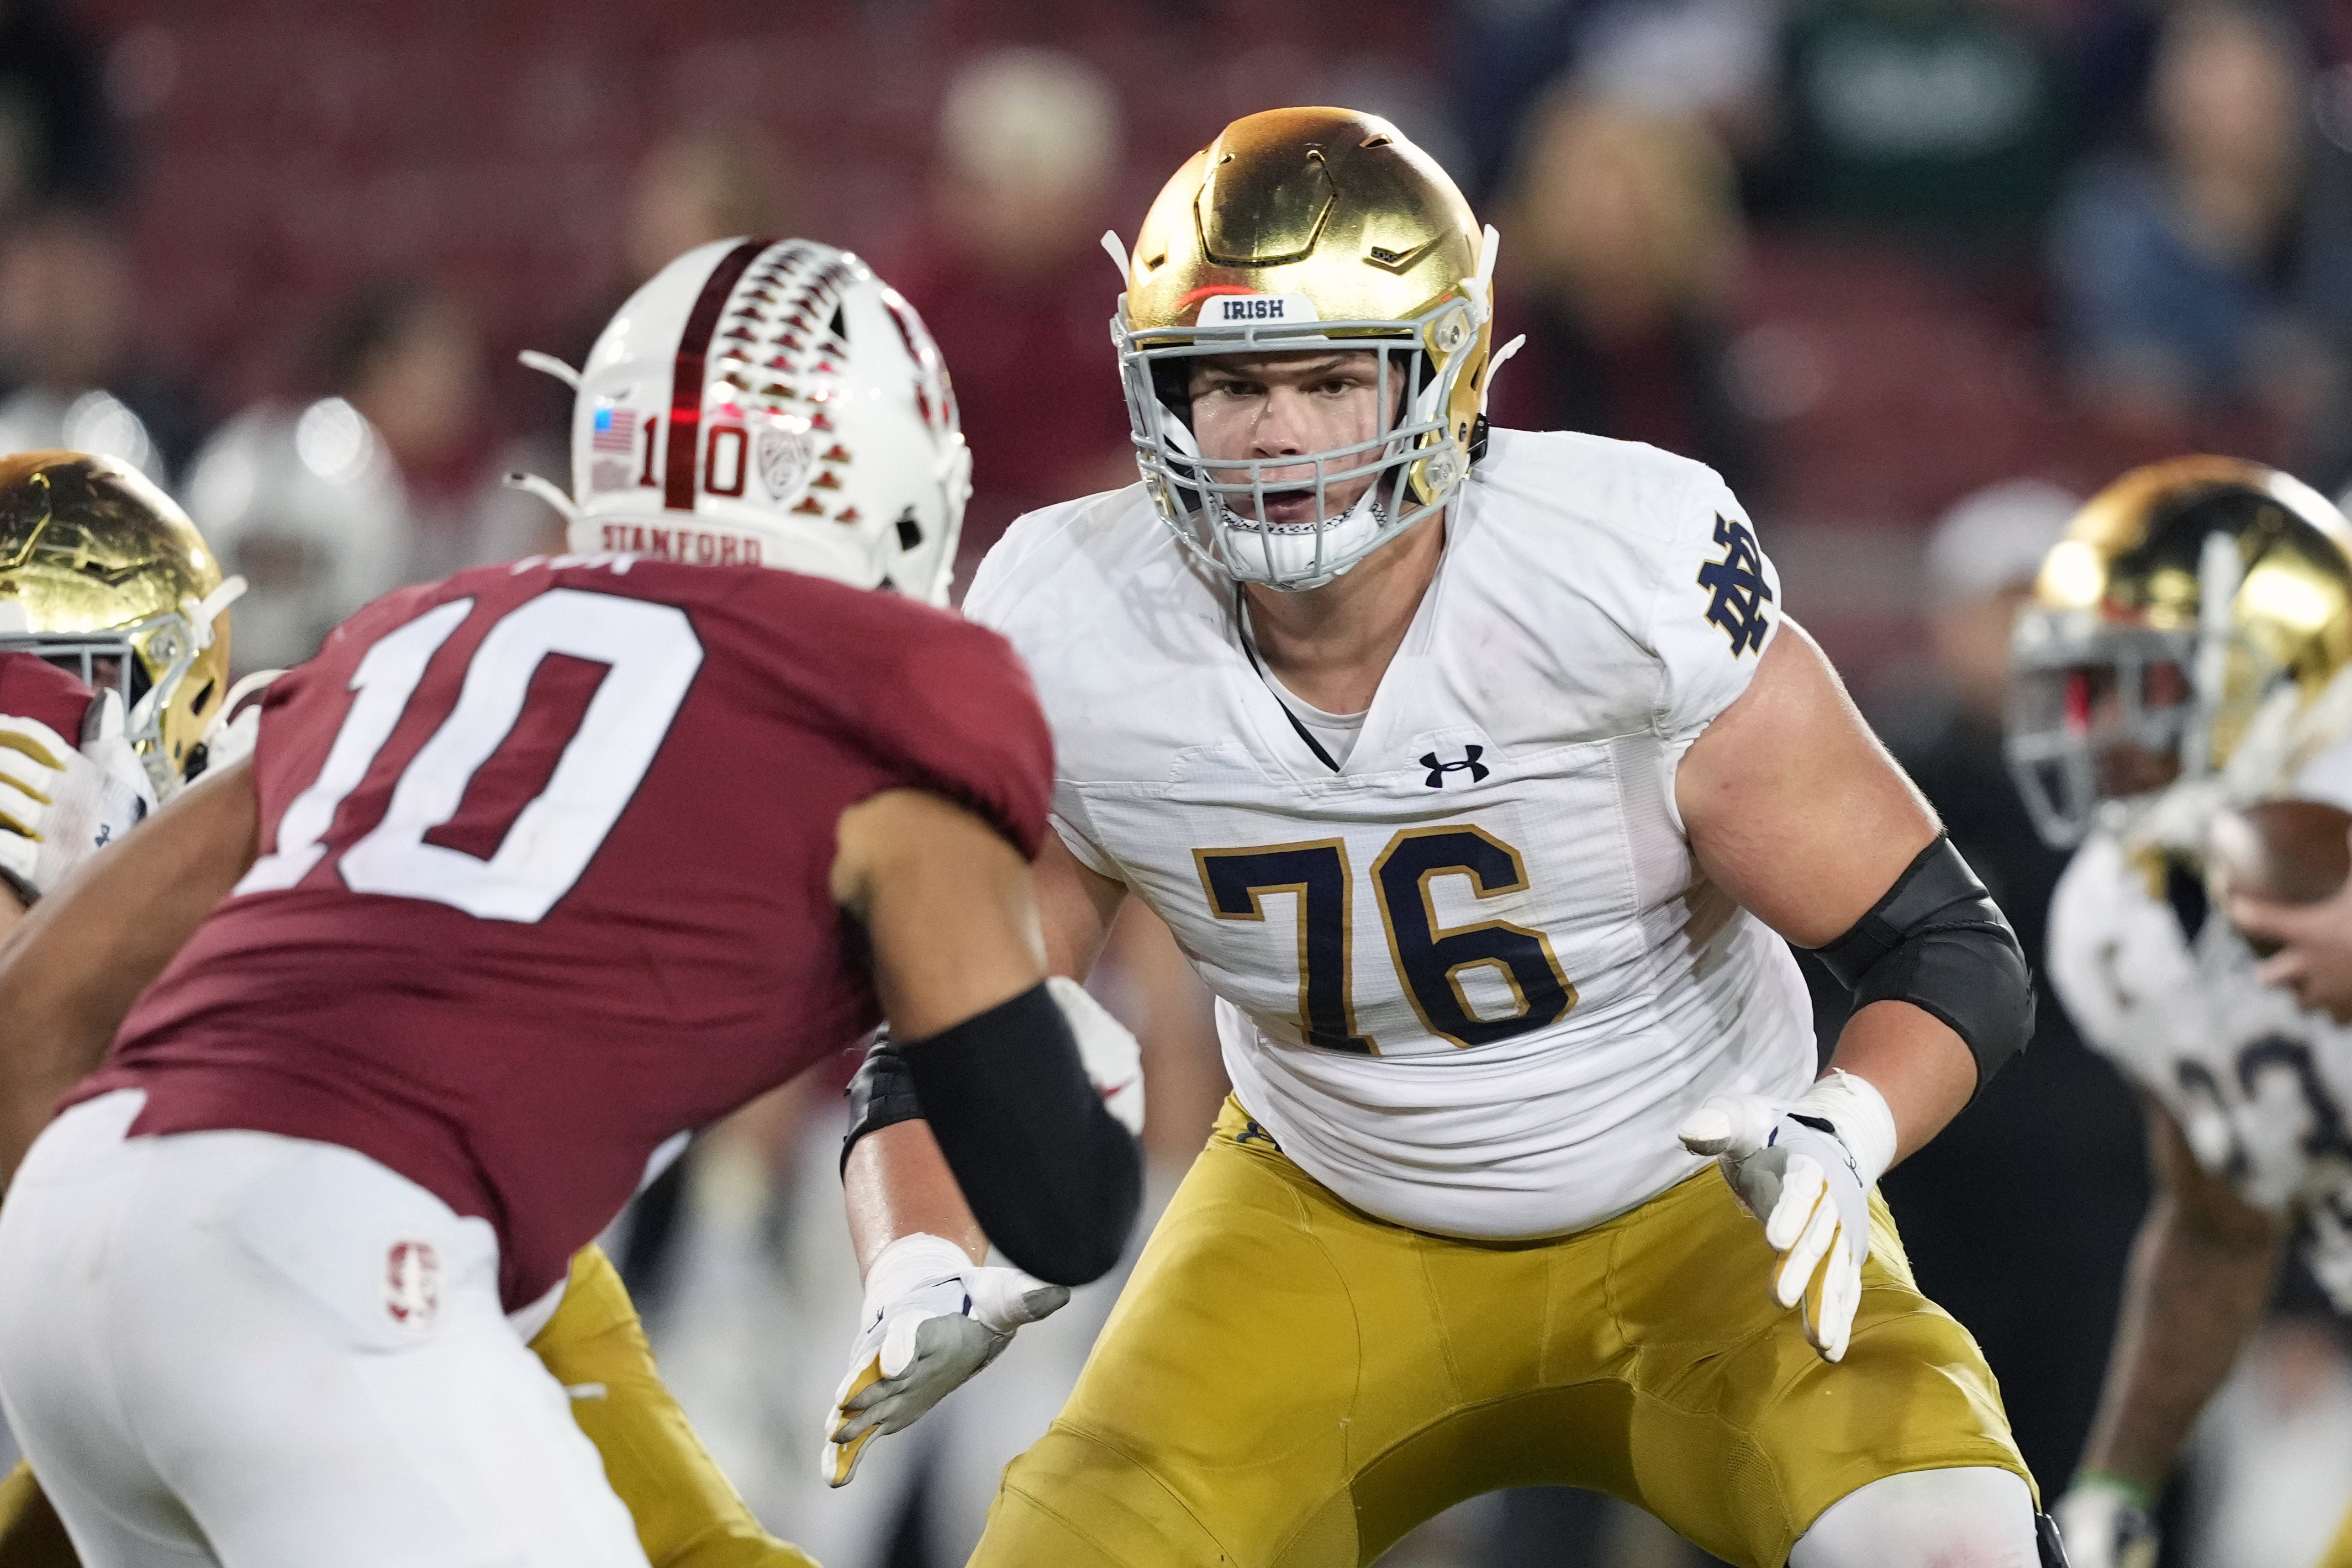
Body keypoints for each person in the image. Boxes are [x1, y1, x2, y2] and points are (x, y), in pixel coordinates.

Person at [829, 107, 2058, 1567]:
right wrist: (916, 1259)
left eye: (1328, 380)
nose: (1275, 432)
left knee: (1946, 1542)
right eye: (1229, 383)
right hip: (1319, 1222)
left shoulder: (1612, 576)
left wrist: (1844, 1128)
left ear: (1445, 373)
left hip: (1700, 1219)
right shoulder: (1073, 620)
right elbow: (947, 1021)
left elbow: (1944, 946)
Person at [0, 237, 1143, 1568]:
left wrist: (109, 1293)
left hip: (76, 1234)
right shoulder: (900, 697)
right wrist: (1079, 1090)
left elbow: (38, 1010)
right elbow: (1058, 1206)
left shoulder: (412, 635)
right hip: (340, 1249)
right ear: (895, 485)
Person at [0, 448, 839, 1568]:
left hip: (377, 1227)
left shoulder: (264, 770)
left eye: (64, 681)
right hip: (198, 1273)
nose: (38, 716)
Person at [2007, 457, 2352, 1568]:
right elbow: (2217, 1222)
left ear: (2272, 666)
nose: (2098, 727)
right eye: (2082, 687)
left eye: (2139, 682)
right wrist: (2117, 1485)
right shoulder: (2116, 916)